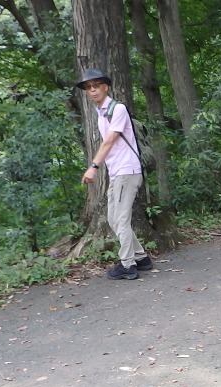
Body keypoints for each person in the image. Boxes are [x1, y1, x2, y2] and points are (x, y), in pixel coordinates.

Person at [76, 68, 153, 280]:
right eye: (88, 87)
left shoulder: (116, 109)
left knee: (121, 220)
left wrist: (93, 167)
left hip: (127, 171)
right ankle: (141, 258)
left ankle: (127, 264)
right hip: (117, 172)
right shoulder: (101, 113)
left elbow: (110, 141)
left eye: (96, 86)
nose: (92, 90)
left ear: (105, 86)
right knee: (113, 219)